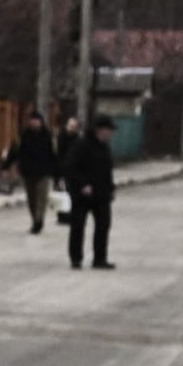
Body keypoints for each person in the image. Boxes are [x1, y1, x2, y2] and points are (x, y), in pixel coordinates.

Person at [64, 114, 118, 269]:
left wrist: (111, 188)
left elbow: (107, 170)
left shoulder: (105, 147)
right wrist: (83, 185)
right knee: (78, 225)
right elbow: (70, 167)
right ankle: (76, 258)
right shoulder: (81, 145)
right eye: (108, 130)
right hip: (82, 194)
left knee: (103, 225)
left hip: (102, 194)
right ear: (99, 130)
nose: (110, 134)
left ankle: (100, 258)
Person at [12, 109, 58, 233]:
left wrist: (57, 171)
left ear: (41, 122)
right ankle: (35, 220)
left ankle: (39, 221)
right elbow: (14, 150)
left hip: (44, 172)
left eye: (36, 121)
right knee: (32, 199)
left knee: (41, 198)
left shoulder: (48, 135)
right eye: (32, 121)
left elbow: (54, 154)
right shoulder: (23, 135)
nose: (34, 123)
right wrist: (6, 165)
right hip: (28, 171)